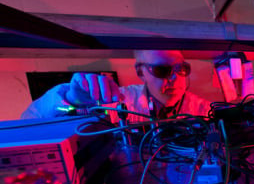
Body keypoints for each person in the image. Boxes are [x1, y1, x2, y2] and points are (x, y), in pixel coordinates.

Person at [21, 50, 211, 123]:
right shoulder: (117, 101)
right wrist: (71, 101)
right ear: (140, 73)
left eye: (182, 69)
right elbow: (28, 122)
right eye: (162, 70)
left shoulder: (202, 108)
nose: (174, 78)